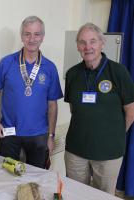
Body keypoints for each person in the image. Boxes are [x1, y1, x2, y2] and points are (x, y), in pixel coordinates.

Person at [64, 23, 134, 194]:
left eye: (93, 41)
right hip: (76, 151)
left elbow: (131, 112)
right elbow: (75, 110)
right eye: (82, 42)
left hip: (108, 154)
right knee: (75, 194)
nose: (88, 47)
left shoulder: (119, 72)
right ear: (78, 46)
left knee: (103, 197)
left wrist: (113, 135)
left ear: (102, 43)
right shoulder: (72, 74)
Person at [0, 16, 63, 169]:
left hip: (39, 135)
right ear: (21, 36)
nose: (32, 39)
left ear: (42, 37)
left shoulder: (50, 67)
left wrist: (51, 135)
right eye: (27, 34)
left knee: (37, 178)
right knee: (7, 175)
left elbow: (52, 105)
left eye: (36, 34)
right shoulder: (6, 62)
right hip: (9, 133)